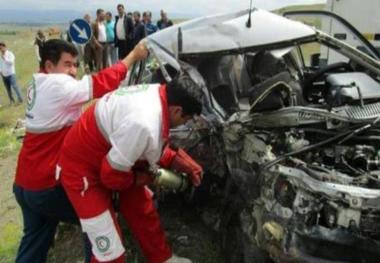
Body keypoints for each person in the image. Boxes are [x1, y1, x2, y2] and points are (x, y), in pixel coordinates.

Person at [13, 39, 148, 263]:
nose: (73, 71)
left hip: (25, 184)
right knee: (95, 219)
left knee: (34, 243)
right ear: (48, 66)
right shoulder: (56, 85)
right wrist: (133, 55)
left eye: (75, 65)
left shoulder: (37, 84)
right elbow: (101, 82)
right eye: (67, 64)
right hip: (47, 185)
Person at [58, 69, 204, 263]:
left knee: (143, 208)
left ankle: (162, 258)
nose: (185, 123)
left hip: (109, 155)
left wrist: (183, 162)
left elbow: (149, 146)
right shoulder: (144, 122)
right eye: (186, 119)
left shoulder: (158, 92)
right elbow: (110, 176)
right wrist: (140, 179)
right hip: (81, 171)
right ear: (177, 110)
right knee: (110, 252)